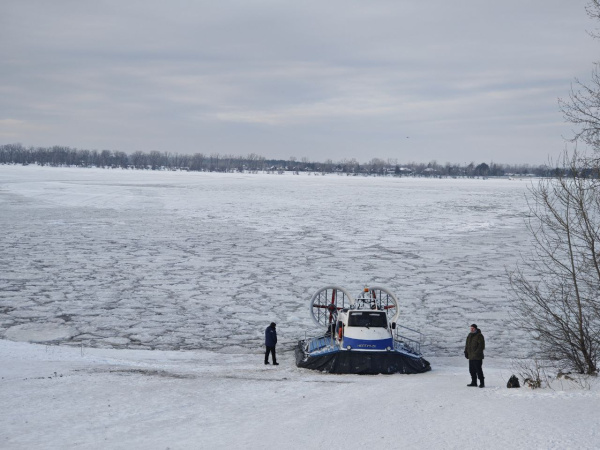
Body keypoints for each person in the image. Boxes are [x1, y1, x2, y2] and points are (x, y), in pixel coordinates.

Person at [464, 323, 485, 388]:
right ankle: (474, 382)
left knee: (478, 370)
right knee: (471, 370)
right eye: (471, 328)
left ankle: (482, 383)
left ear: (475, 329)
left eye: (473, 328)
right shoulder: (469, 335)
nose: (471, 329)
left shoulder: (479, 336)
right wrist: (466, 352)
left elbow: (481, 346)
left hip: (477, 357)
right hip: (471, 357)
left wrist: (476, 353)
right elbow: (467, 345)